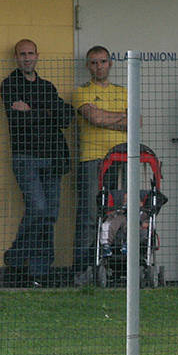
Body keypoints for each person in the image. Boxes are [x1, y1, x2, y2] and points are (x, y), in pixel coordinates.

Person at [1, 39, 75, 287]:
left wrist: (33, 110)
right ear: (16, 57)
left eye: (30, 53)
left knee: (50, 214)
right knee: (39, 209)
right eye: (22, 54)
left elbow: (66, 117)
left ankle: (38, 272)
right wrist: (48, 112)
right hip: (26, 157)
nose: (27, 58)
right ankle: (16, 257)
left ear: (37, 55)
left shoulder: (47, 86)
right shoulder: (10, 85)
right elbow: (18, 121)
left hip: (52, 157)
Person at [72, 45, 129, 282]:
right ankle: (83, 271)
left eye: (103, 61)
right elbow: (93, 118)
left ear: (110, 63)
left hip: (121, 159)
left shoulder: (123, 91)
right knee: (89, 215)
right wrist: (119, 117)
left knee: (118, 213)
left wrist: (105, 118)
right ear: (88, 66)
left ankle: (114, 268)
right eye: (94, 62)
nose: (99, 66)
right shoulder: (81, 92)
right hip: (92, 160)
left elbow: (134, 121)